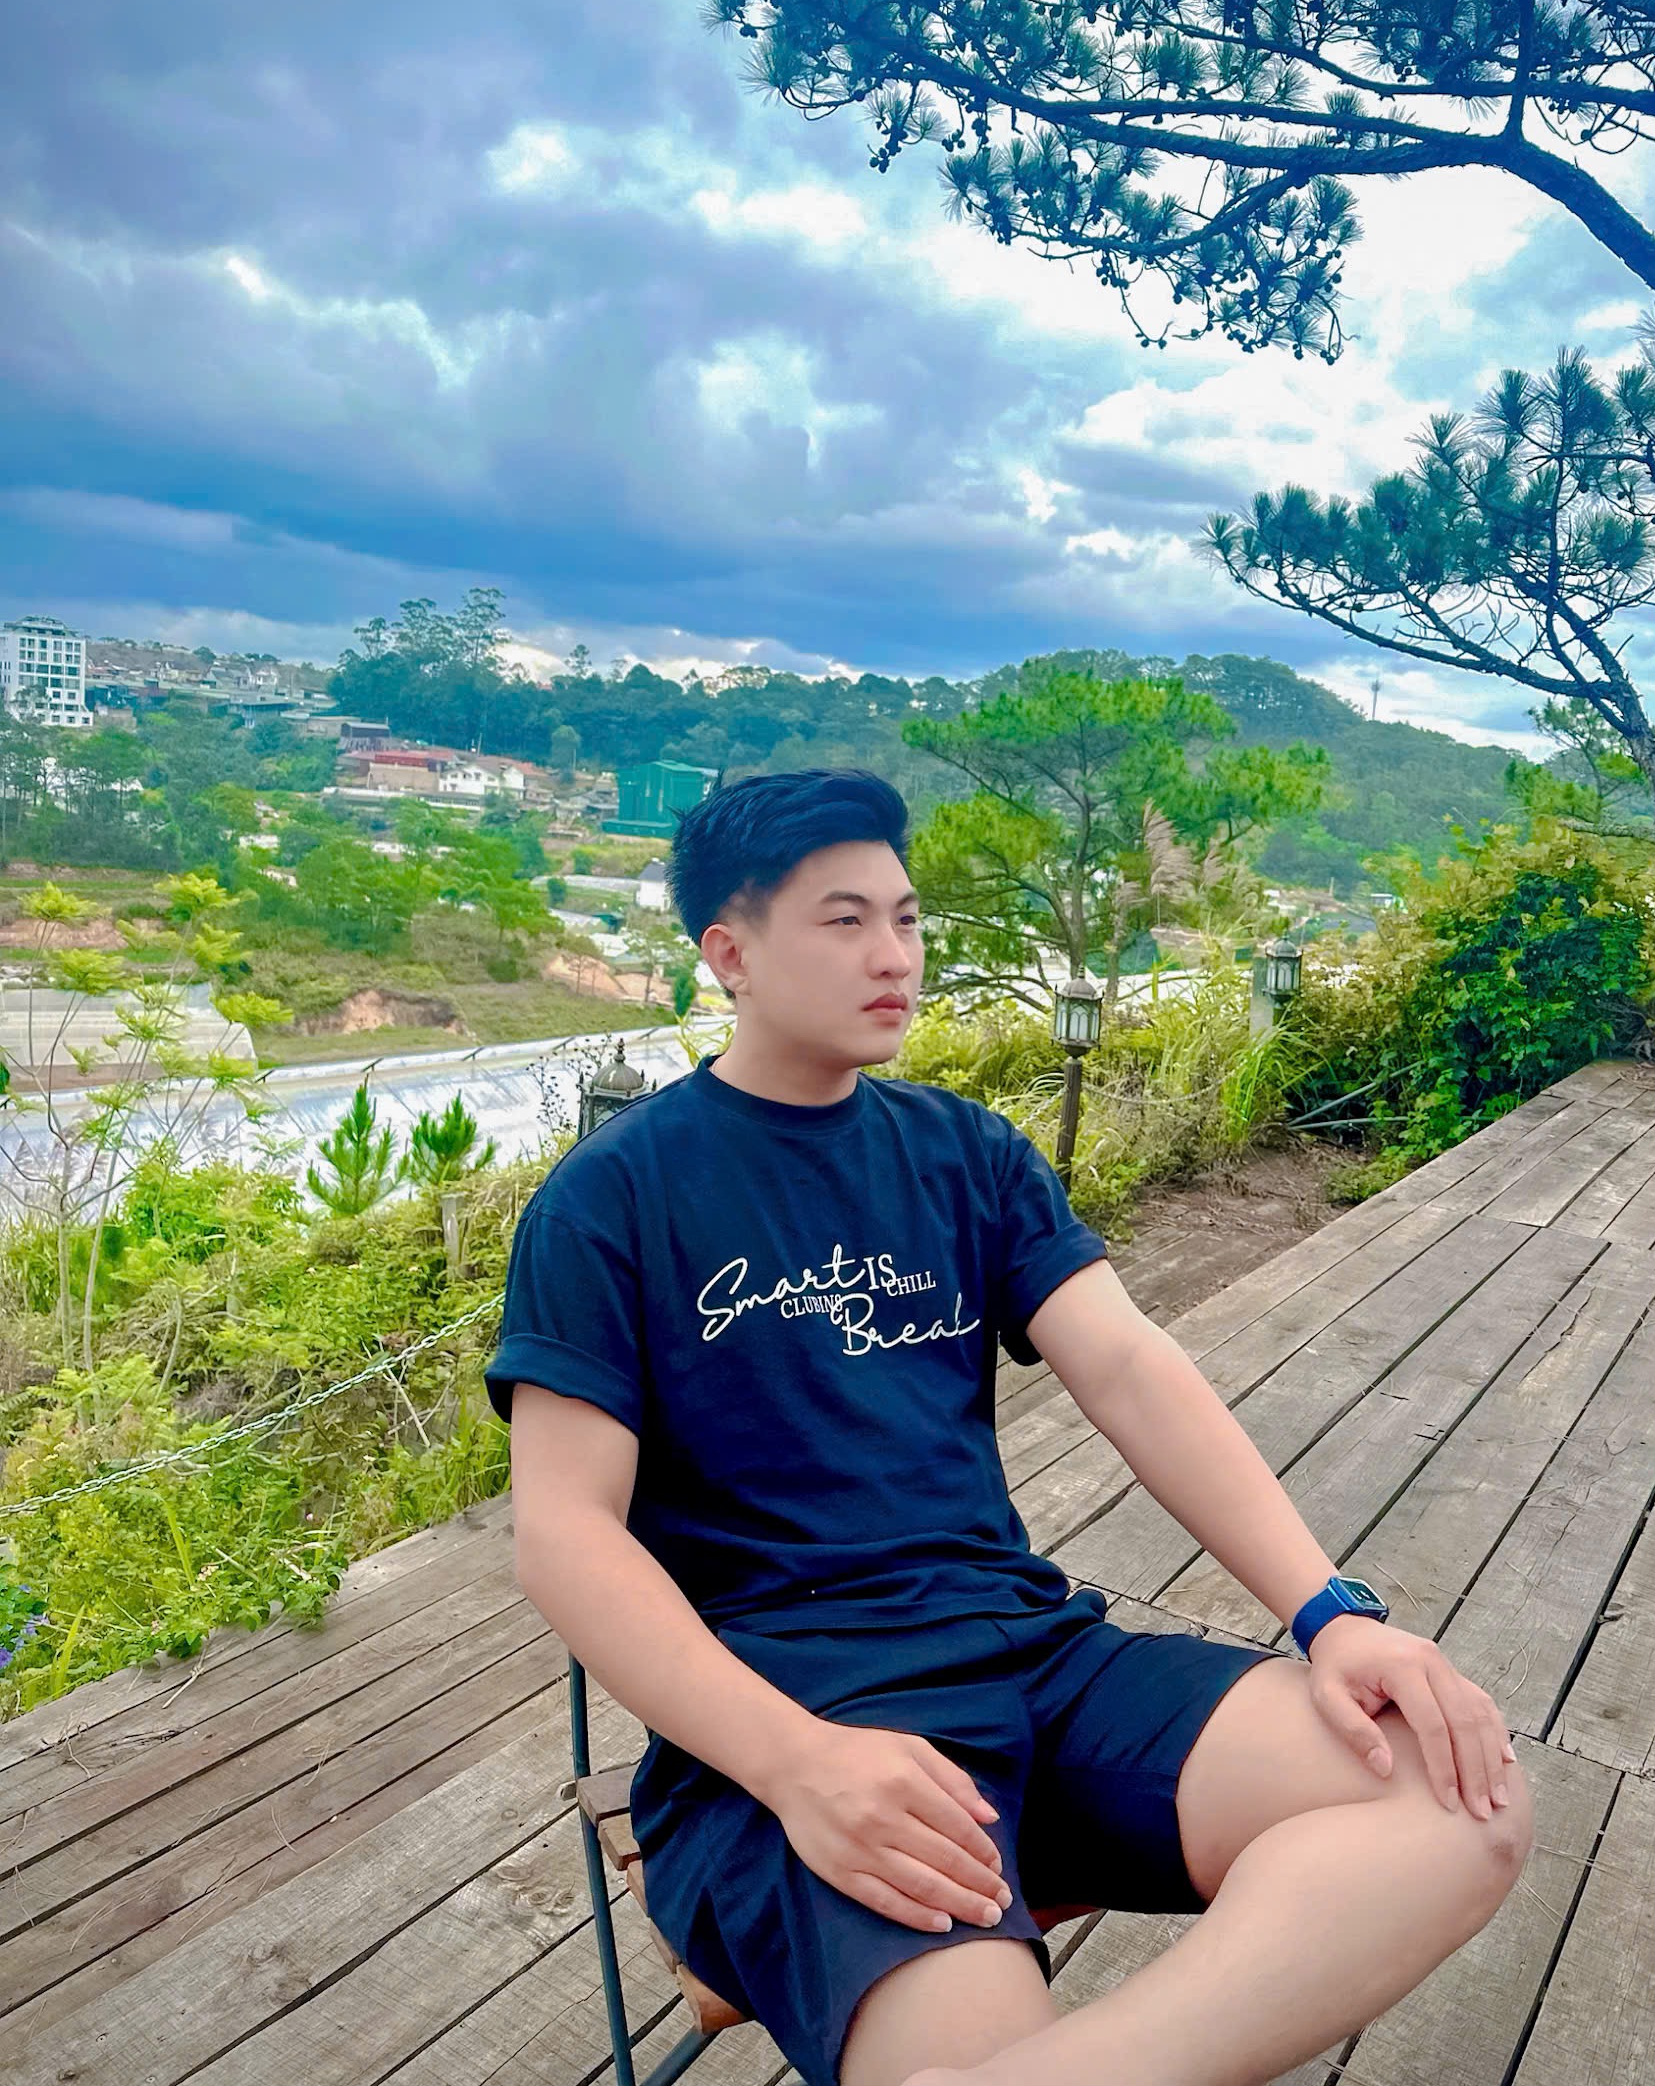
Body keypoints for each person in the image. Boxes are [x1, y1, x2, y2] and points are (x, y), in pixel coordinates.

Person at [486, 767, 1529, 2086]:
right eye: (845, 920)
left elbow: (1131, 1367)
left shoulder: (964, 1154)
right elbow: (564, 1533)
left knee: (1456, 1794)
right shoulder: (611, 1199)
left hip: (1033, 1659)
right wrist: (797, 1765)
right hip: (798, 1714)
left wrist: (1330, 1613)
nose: (894, 956)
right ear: (729, 953)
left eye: (908, 918)